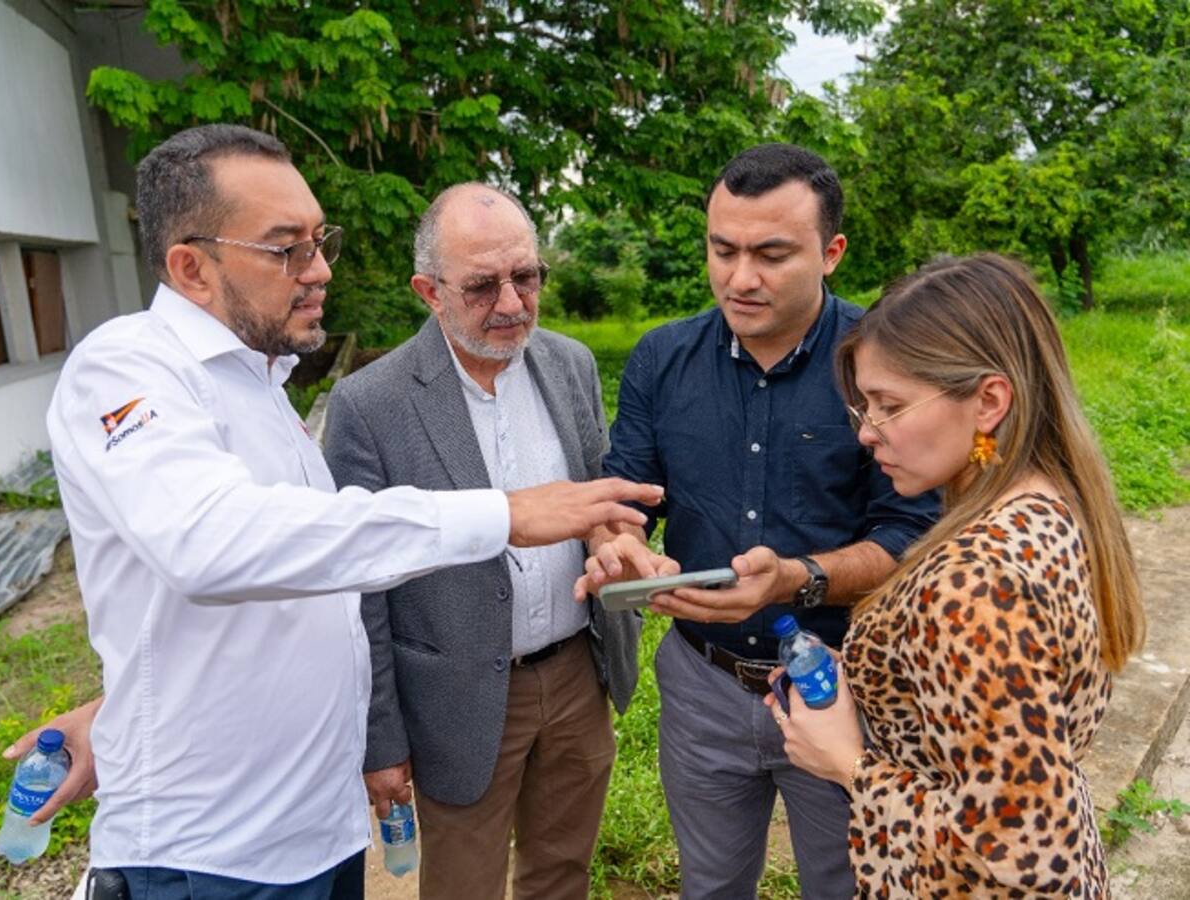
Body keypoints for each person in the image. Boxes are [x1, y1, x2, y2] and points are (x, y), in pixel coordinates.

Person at [7, 124, 661, 899]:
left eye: (321, 242)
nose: (319, 271)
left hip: (315, 833)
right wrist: (500, 516)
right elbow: (215, 545)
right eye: (287, 248)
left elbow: (314, 583)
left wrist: (126, 705)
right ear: (192, 267)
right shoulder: (127, 367)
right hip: (213, 853)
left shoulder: (260, 386)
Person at [576, 143, 939, 899]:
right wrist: (619, 549)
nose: (741, 279)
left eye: (772, 254)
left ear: (831, 251)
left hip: (844, 684)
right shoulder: (661, 358)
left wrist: (796, 582)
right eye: (723, 250)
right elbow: (626, 501)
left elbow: (910, 538)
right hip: (702, 683)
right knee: (709, 886)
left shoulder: (883, 361)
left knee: (850, 886)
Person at [764, 252, 1145, 896]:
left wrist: (850, 765)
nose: (867, 433)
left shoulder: (975, 580)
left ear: (989, 400)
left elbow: (1016, 864)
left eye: (889, 404)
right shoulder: (1049, 504)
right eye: (865, 406)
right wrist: (876, 673)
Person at [323, 182, 640, 899]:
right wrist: (381, 739)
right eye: (481, 285)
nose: (511, 304)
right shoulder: (370, 404)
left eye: (526, 277)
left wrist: (617, 538)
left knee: (562, 872)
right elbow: (359, 583)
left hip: (574, 677)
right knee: (463, 884)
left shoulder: (570, 364)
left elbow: (592, 501)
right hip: (455, 698)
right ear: (428, 291)